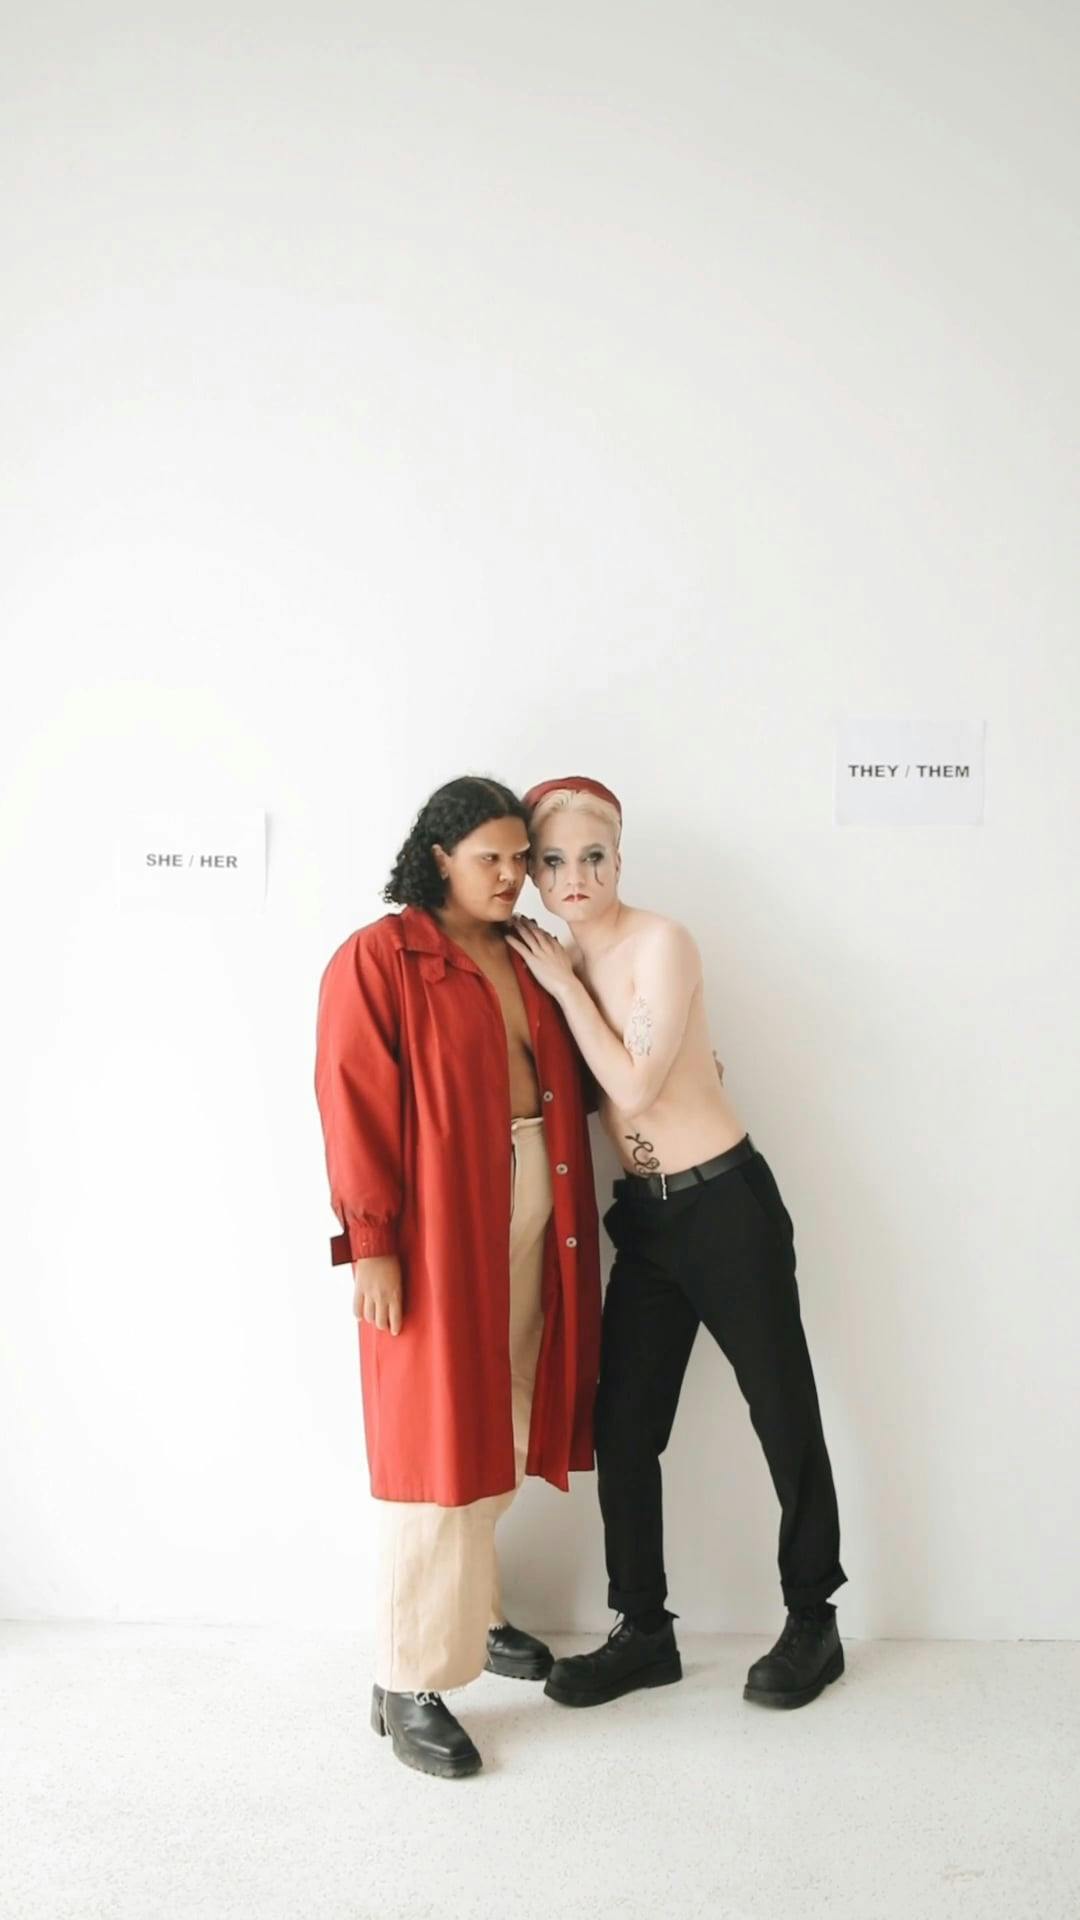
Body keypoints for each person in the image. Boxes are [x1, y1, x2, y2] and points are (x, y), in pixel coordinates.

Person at [505, 776, 847, 1712]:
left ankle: (813, 1619)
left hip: (725, 1205)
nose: (574, 876)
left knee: (781, 1409)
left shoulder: (660, 943)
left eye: (593, 856)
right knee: (623, 1426)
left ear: (620, 858)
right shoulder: (555, 961)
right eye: (553, 861)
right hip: (648, 1222)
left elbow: (636, 1086)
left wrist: (563, 988)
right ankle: (644, 1630)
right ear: (534, 875)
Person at [313, 775, 602, 1778]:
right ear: (438, 857)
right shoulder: (380, 958)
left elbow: (570, 1081)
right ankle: (407, 1680)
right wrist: (373, 1244)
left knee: (511, 1418)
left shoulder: (526, 952)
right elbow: (352, 1103)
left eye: (522, 858)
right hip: (439, 1230)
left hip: (540, 1214)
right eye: (492, 859)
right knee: (432, 1450)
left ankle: (469, 1612)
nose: (513, 875)